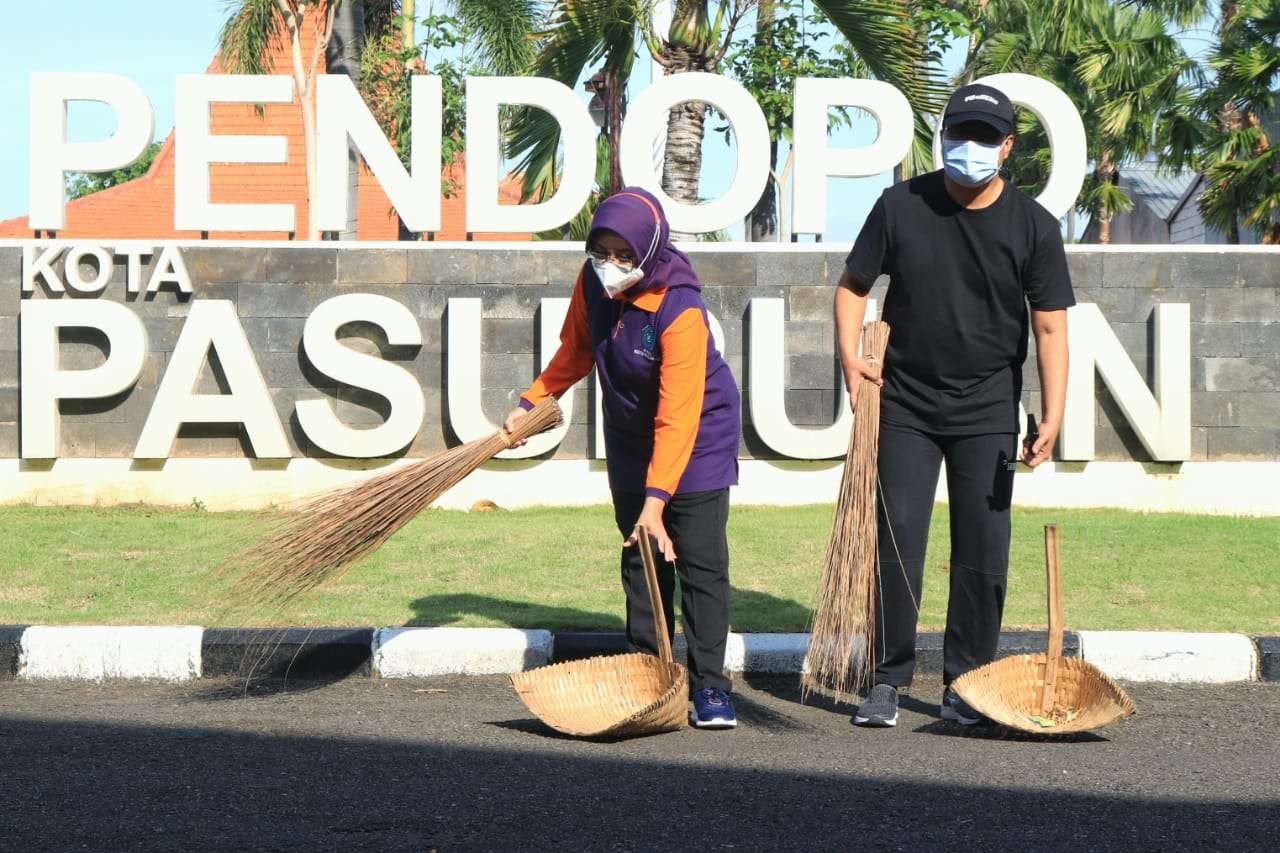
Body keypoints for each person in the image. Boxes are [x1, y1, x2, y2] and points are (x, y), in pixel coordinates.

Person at [834, 83, 1074, 728]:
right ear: (943, 137)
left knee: (983, 550)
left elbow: (1051, 327)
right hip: (904, 404)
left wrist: (1052, 415)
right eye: (960, 133)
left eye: (985, 137)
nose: (970, 148)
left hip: (989, 409)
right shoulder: (898, 206)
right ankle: (887, 680)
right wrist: (850, 357)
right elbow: (853, 286)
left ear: (1008, 147)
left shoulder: (1034, 226)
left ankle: (967, 682)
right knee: (896, 540)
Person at [504, 187, 742, 729]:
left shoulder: (679, 304)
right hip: (631, 435)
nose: (611, 265)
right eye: (601, 251)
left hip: (698, 435)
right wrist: (532, 402)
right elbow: (575, 351)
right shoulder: (592, 282)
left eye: (624, 255)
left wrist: (657, 501)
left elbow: (679, 414)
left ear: (650, 248)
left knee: (701, 560)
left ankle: (710, 687)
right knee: (641, 556)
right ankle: (647, 673)